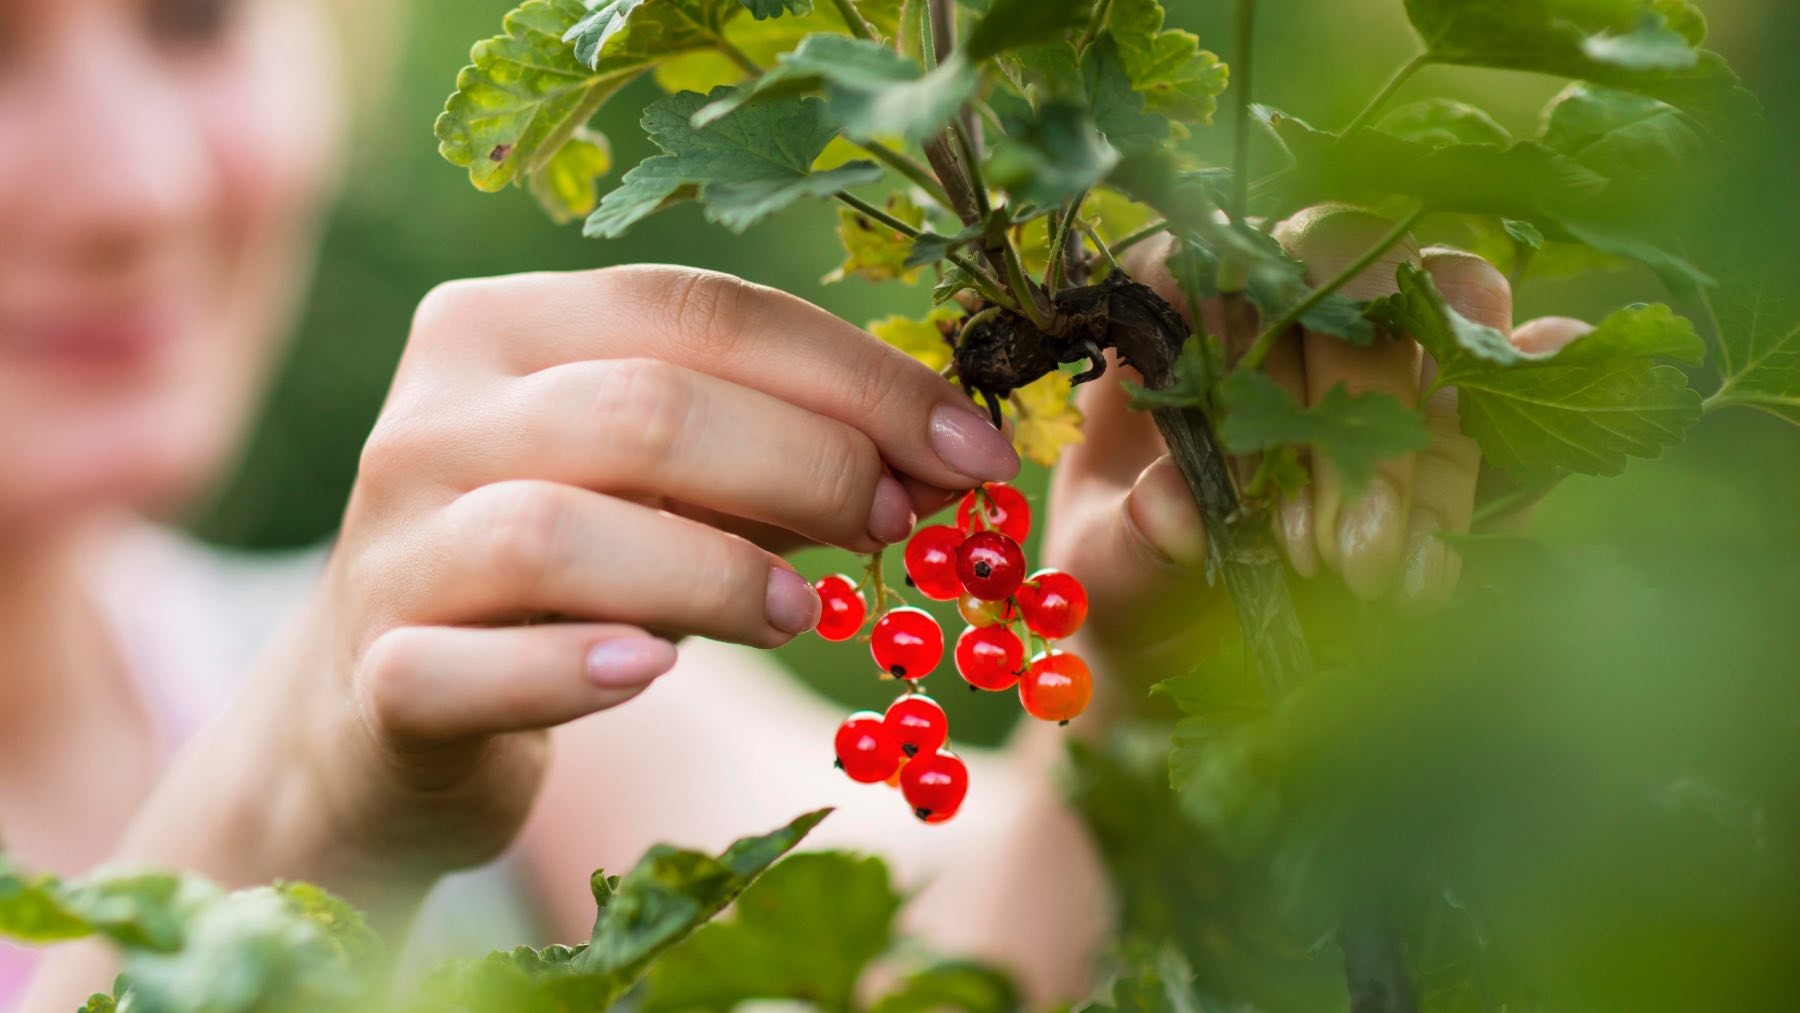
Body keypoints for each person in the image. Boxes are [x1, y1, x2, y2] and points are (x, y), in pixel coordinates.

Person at [0, 0, 1593, 1008]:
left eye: (193, 19)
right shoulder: (363, 692)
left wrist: (1159, 667)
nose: (130, 188)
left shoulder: (528, 694)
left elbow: (958, 964)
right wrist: (291, 809)